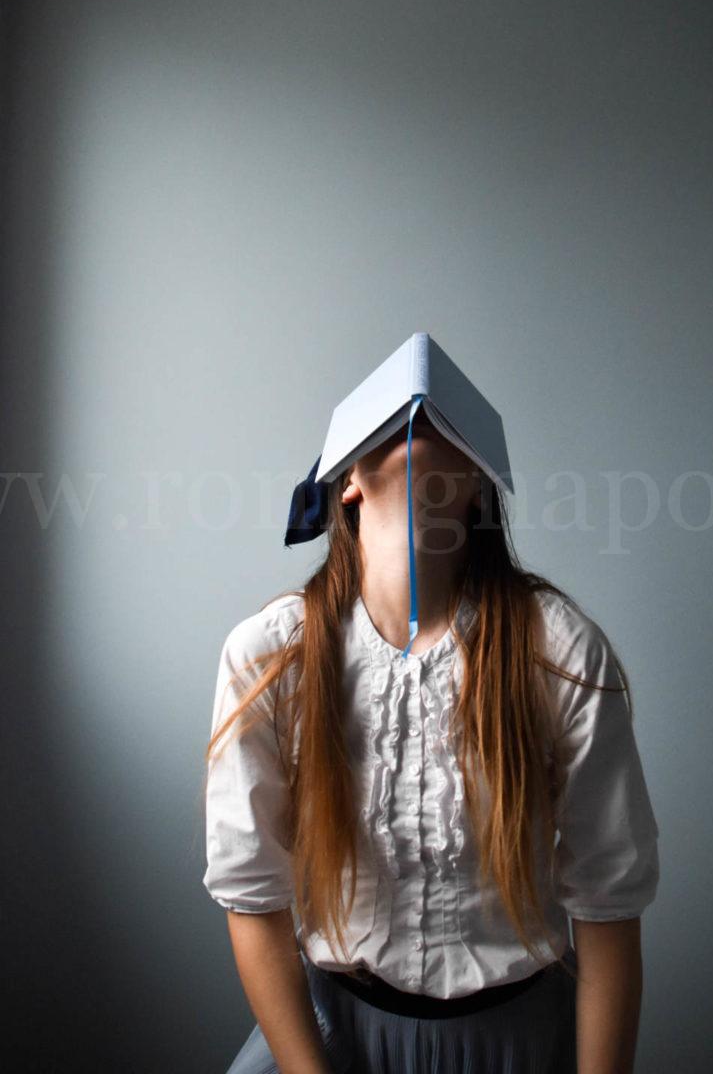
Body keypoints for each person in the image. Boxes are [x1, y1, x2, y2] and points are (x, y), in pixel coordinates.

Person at [202, 409, 660, 1073]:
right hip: (330, 1045)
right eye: (393, 424)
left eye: (444, 421)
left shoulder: (558, 653)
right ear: (348, 482)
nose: (420, 428)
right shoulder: (271, 657)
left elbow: (610, 906)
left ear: (475, 485)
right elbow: (252, 894)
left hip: (519, 1043)